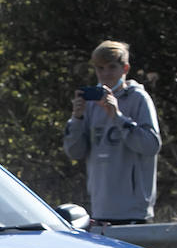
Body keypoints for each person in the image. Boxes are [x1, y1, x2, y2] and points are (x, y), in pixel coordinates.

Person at [62, 40, 162, 225]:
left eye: (111, 67)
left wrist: (117, 117)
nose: (106, 74)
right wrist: (76, 119)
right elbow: (75, 152)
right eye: (100, 68)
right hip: (100, 209)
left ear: (125, 68)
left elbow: (151, 145)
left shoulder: (138, 98)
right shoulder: (91, 104)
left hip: (134, 212)